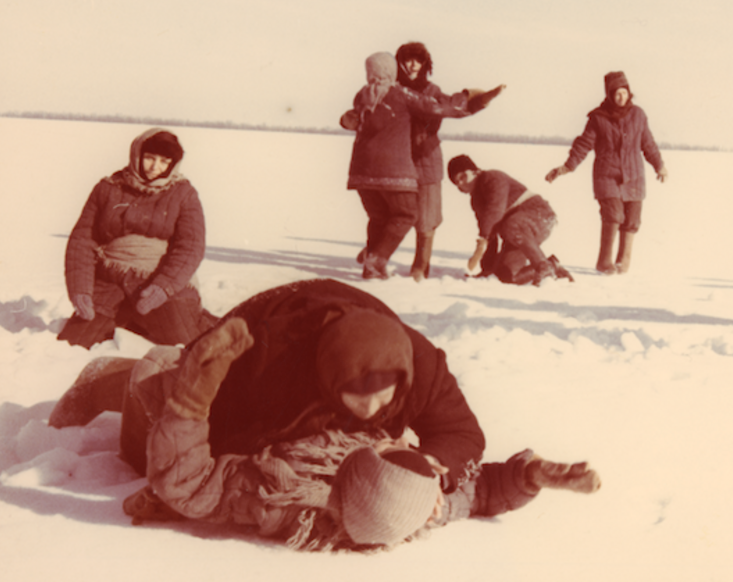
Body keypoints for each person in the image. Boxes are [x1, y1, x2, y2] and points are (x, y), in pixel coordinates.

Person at [51, 315, 602, 552]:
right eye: (429, 479)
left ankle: (100, 378)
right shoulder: (414, 506)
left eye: (403, 455)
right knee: (186, 360)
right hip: (252, 401)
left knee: (151, 381)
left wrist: (193, 396)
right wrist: (532, 475)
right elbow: (480, 491)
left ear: (374, 462)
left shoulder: (281, 493)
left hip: (181, 425)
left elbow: (189, 483)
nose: (387, 428)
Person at [50, 278, 487, 496]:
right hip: (246, 335)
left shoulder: (421, 365)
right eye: (357, 395)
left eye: (385, 394)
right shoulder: (266, 365)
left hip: (342, 321)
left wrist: (432, 464)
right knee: (149, 446)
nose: (372, 410)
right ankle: (111, 377)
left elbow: (462, 435)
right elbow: (205, 446)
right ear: (330, 379)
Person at [340, 52, 504, 280]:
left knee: (379, 218)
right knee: (406, 214)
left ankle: (371, 267)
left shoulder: (362, 95)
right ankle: (377, 261)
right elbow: (439, 108)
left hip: (360, 173)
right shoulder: (400, 94)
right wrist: (470, 98)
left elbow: (354, 119)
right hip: (392, 170)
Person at [58, 128, 217, 348]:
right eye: (149, 158)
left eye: (164, 161)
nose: (155, 167)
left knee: (189, 341)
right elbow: (82, 240)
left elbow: (191, 247)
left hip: (157, 276)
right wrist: (81, 289)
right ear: (137, 155)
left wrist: (164, 287)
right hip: (110, 276)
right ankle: (131, 317)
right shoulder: (107, 188)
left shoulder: (183, 194)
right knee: (74, 342)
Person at [546, 71, 668, 275]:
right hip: (607, 175)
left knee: (632, 219)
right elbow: (584, 143)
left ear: (629, 93)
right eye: (616, 94)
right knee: (613, 215)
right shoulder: (598, 117)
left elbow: (648, 143)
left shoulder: (638, 115)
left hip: (634, 176)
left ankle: (623, 261)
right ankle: (604, 261)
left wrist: (659, 165)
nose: (621, 98)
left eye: (624, 93)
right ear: (610, 95)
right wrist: (568, 166)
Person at [448, 154, 572, 286]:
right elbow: (489, 234)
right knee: (507, 275)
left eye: (463, 176)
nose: (461, 183)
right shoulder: (475, 201)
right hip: (517, 231)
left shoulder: (492, 177)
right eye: (457, 182)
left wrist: (482, 239)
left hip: (540, 215)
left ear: (475, 171)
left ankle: (543, 267)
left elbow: (495, 210)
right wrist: (487, 269)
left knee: (510, 224)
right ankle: (552, 265)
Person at [396, 42, 450, 282]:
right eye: (408, 59)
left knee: (426, 216)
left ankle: (421, 265)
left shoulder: (433, 90)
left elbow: (438, 116)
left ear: (426, 64)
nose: (413, 64)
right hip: (397, 159)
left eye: (418, 59)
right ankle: (376, 252)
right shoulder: (392, 89)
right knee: (394, 210)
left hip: (426, 159)